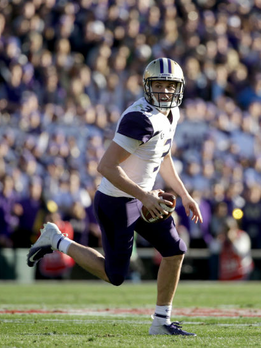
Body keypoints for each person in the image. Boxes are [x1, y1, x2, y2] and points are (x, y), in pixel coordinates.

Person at [27, 58, 203, 336]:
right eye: (159, 85)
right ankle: (56, 239)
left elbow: (164, 155)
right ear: (147, 86)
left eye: (170, 86)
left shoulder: (172, 114)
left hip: (144, 197)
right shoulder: (140, 118)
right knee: (115, 275)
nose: (165, 92)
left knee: (175, 250)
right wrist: (144, 195)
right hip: (116, 200)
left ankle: (161, 322)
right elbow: (106, 167)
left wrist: (185, 194)